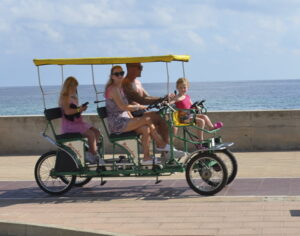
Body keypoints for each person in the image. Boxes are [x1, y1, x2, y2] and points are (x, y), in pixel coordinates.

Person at [105, 65, 172, 165]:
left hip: (125, 119)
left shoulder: (120, 88)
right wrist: (139, 107)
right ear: (112, 76)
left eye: (121, 73)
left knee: (145, 128)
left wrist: (133, 119)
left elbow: (126, 108)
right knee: (147, 119)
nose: (120, 76)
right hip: (117, 123)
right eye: (117, 74)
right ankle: (161, 144)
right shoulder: (113, 89)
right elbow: (123, 107)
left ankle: (146, 158)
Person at [59, 76, 104, 164]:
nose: (75, 89)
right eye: (74, 86)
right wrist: (79, 109)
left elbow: (74, 111)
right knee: (91, 134)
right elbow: (68, 112)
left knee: (97, 132)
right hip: (70, 126)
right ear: (70, 86)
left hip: (78, 123)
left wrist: (80, 109)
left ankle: (90, 153)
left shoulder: (73, 97)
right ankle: (92, 155)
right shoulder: (65, 97)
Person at [122, 63, 170, 144]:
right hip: (133, 114)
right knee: (161, 118)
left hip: (141, 112)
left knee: (164, 119)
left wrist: (163, 99)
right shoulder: (126, 83)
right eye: (140, 67)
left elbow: (147, 96)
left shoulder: (137, 82)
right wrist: (161, 99)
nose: (142, 69)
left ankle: (165, 149)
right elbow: (141, 100)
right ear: (130, 68)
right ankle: (166, 149)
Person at [173, 78, 223, 148]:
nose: (183, 89)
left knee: (204, 117)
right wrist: (167, 102)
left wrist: (196, 107)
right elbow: (171, 102)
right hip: (183, 117)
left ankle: (211, 127)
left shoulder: (187, 97)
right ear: (177, 88)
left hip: (189, 115)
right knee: (201, 121)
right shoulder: (177, 97)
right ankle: (200, 142)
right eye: (181, 88)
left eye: (184, 87)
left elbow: (191, 106)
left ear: (187, 88)